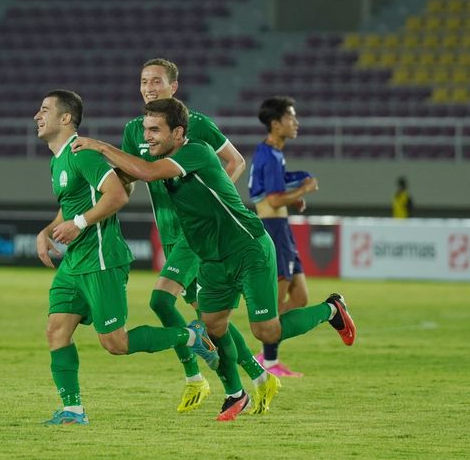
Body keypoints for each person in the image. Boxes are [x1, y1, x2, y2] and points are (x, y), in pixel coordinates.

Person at [72, 98, 357, 422]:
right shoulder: (161, 157)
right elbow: (128, 176)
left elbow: (146, 172)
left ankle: (332, 309)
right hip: (212, 259)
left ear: (178, 132)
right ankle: (237, 394)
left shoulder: (194, 152)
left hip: (247, 249)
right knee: (213, 324)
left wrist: (97, 145)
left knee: (267, 332)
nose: (147, 136)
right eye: (146, 129)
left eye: (155, 130)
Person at [33, 90, 219, 426]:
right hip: (76, 261)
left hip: (101, 258)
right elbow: (71, 205)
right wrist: (47, 231)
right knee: (56, 331)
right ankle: (73, 411)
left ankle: (190, 336)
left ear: (65, 118)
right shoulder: (58, 159)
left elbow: (117, 195)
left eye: (44, 109)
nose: (36, 115)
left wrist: (78, 224)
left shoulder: (81, 154)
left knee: (115, 343)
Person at [120, 58, 279, 415]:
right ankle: (257, 377)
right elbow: (133, 175)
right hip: (170, 234)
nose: (149, 87)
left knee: (161, 301)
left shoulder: (196, 125)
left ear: (173, 88)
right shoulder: (135, 130)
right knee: (209, 317)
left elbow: (234, 162)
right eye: (143, 80)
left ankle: (197, 379)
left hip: (198, 236)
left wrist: (213, 207)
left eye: (156, 81)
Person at [248, 96, 318, 377]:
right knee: (276, 300)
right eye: (291, 117)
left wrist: (297, 190)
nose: (296, 122)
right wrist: (304, 190)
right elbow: (275, 200)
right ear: (276, 124)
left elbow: (278, 190)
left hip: (281, 228)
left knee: (299, 297)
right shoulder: (267, 154)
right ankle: (269, 359)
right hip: (272, 229)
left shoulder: (274, 154)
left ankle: (267, 342)